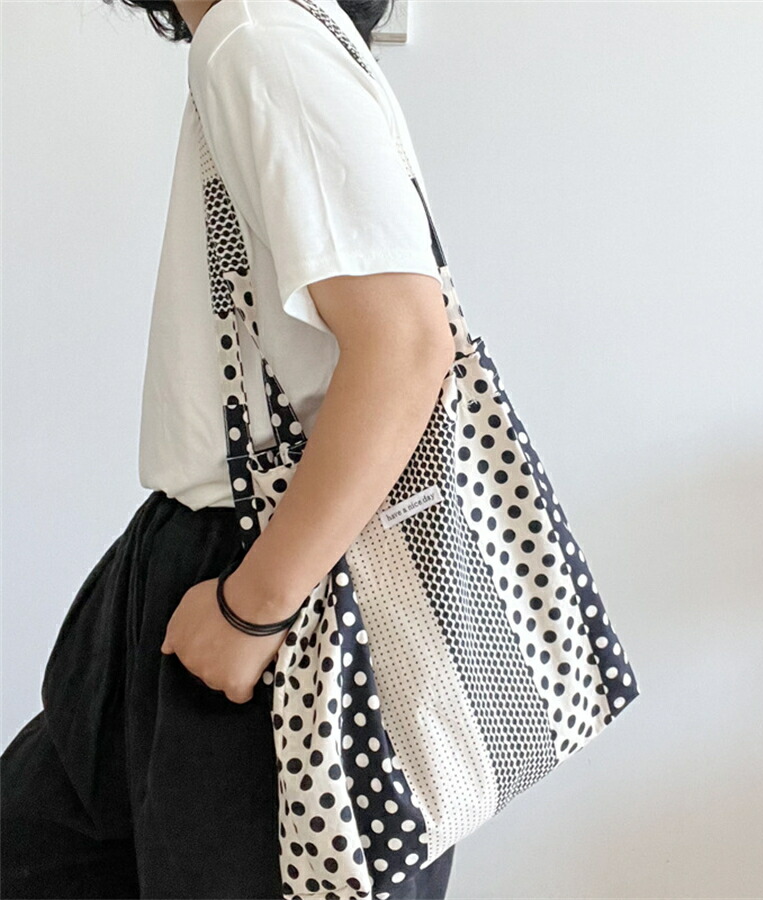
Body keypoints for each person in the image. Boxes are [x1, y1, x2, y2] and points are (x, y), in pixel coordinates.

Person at [0, 0, 459, 896]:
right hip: (210, 557)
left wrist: (254, 610)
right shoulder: (267, 33)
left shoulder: (260, 36)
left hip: (272, 576)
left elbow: (406, 344)